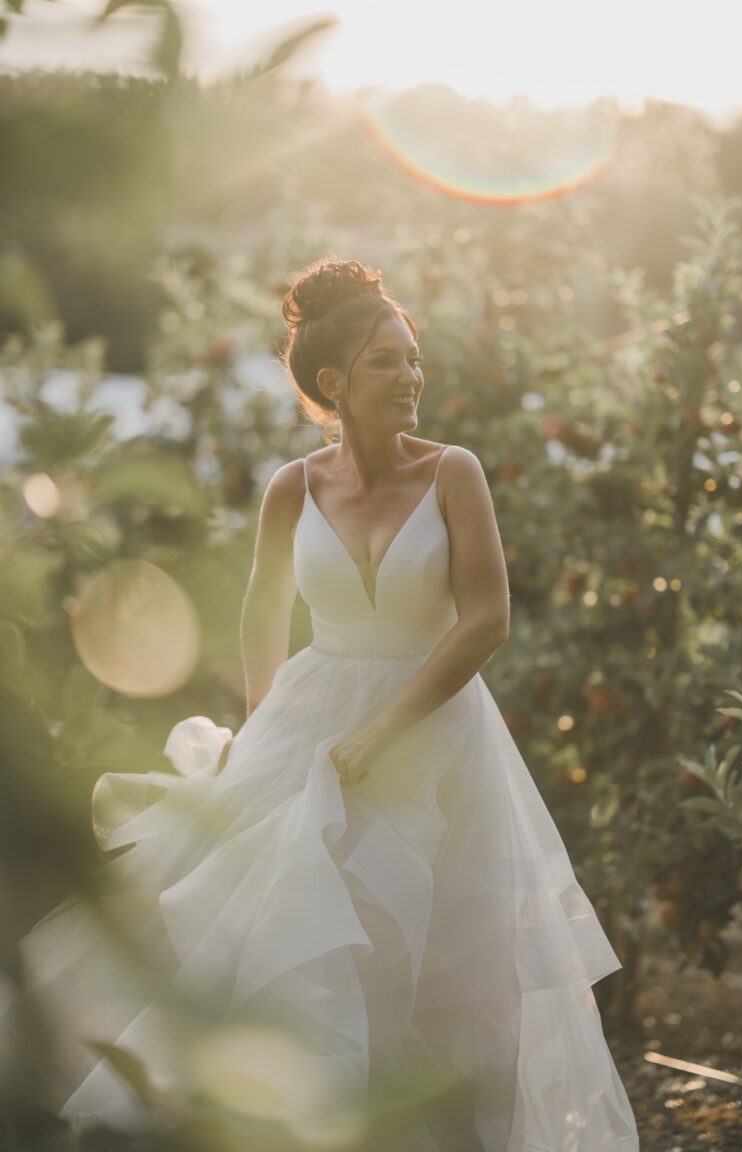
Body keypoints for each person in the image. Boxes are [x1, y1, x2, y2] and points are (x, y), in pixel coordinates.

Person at [3, 256, 640, 1151]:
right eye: (388, 361)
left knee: (444, 971)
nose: (412, 377)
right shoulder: (292, 488)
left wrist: (384, 729)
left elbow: (486, 619)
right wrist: (265, 732)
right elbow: (262, 612)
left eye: (414, 357)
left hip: (437, 738)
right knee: (285, 938)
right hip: (310, 715)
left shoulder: (455, 472)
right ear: (334, 382)